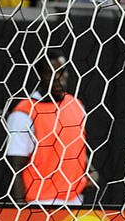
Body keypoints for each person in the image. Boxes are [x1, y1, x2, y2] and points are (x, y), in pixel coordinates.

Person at [6, 54, 95, 206]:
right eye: (50, 73)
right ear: (40, 76)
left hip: (75, 201)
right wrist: (20, 212)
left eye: (62, 71)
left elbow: (76, 146)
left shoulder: (76, 105)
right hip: (40, 204)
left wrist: (90, 170)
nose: (58, 78)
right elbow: (16, 169)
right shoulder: (24, 114)